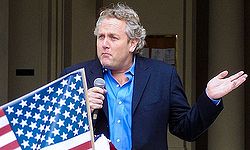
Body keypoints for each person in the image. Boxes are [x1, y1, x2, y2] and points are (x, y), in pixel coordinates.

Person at [60, 3, 248, 150]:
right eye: (101, 37)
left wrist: (209, 98)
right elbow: (56, 134)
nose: (104, 44)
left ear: (133, 43)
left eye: (113, 37)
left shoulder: (163, 76)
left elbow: (186, 129)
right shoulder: (76, 76)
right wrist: (79, 108)